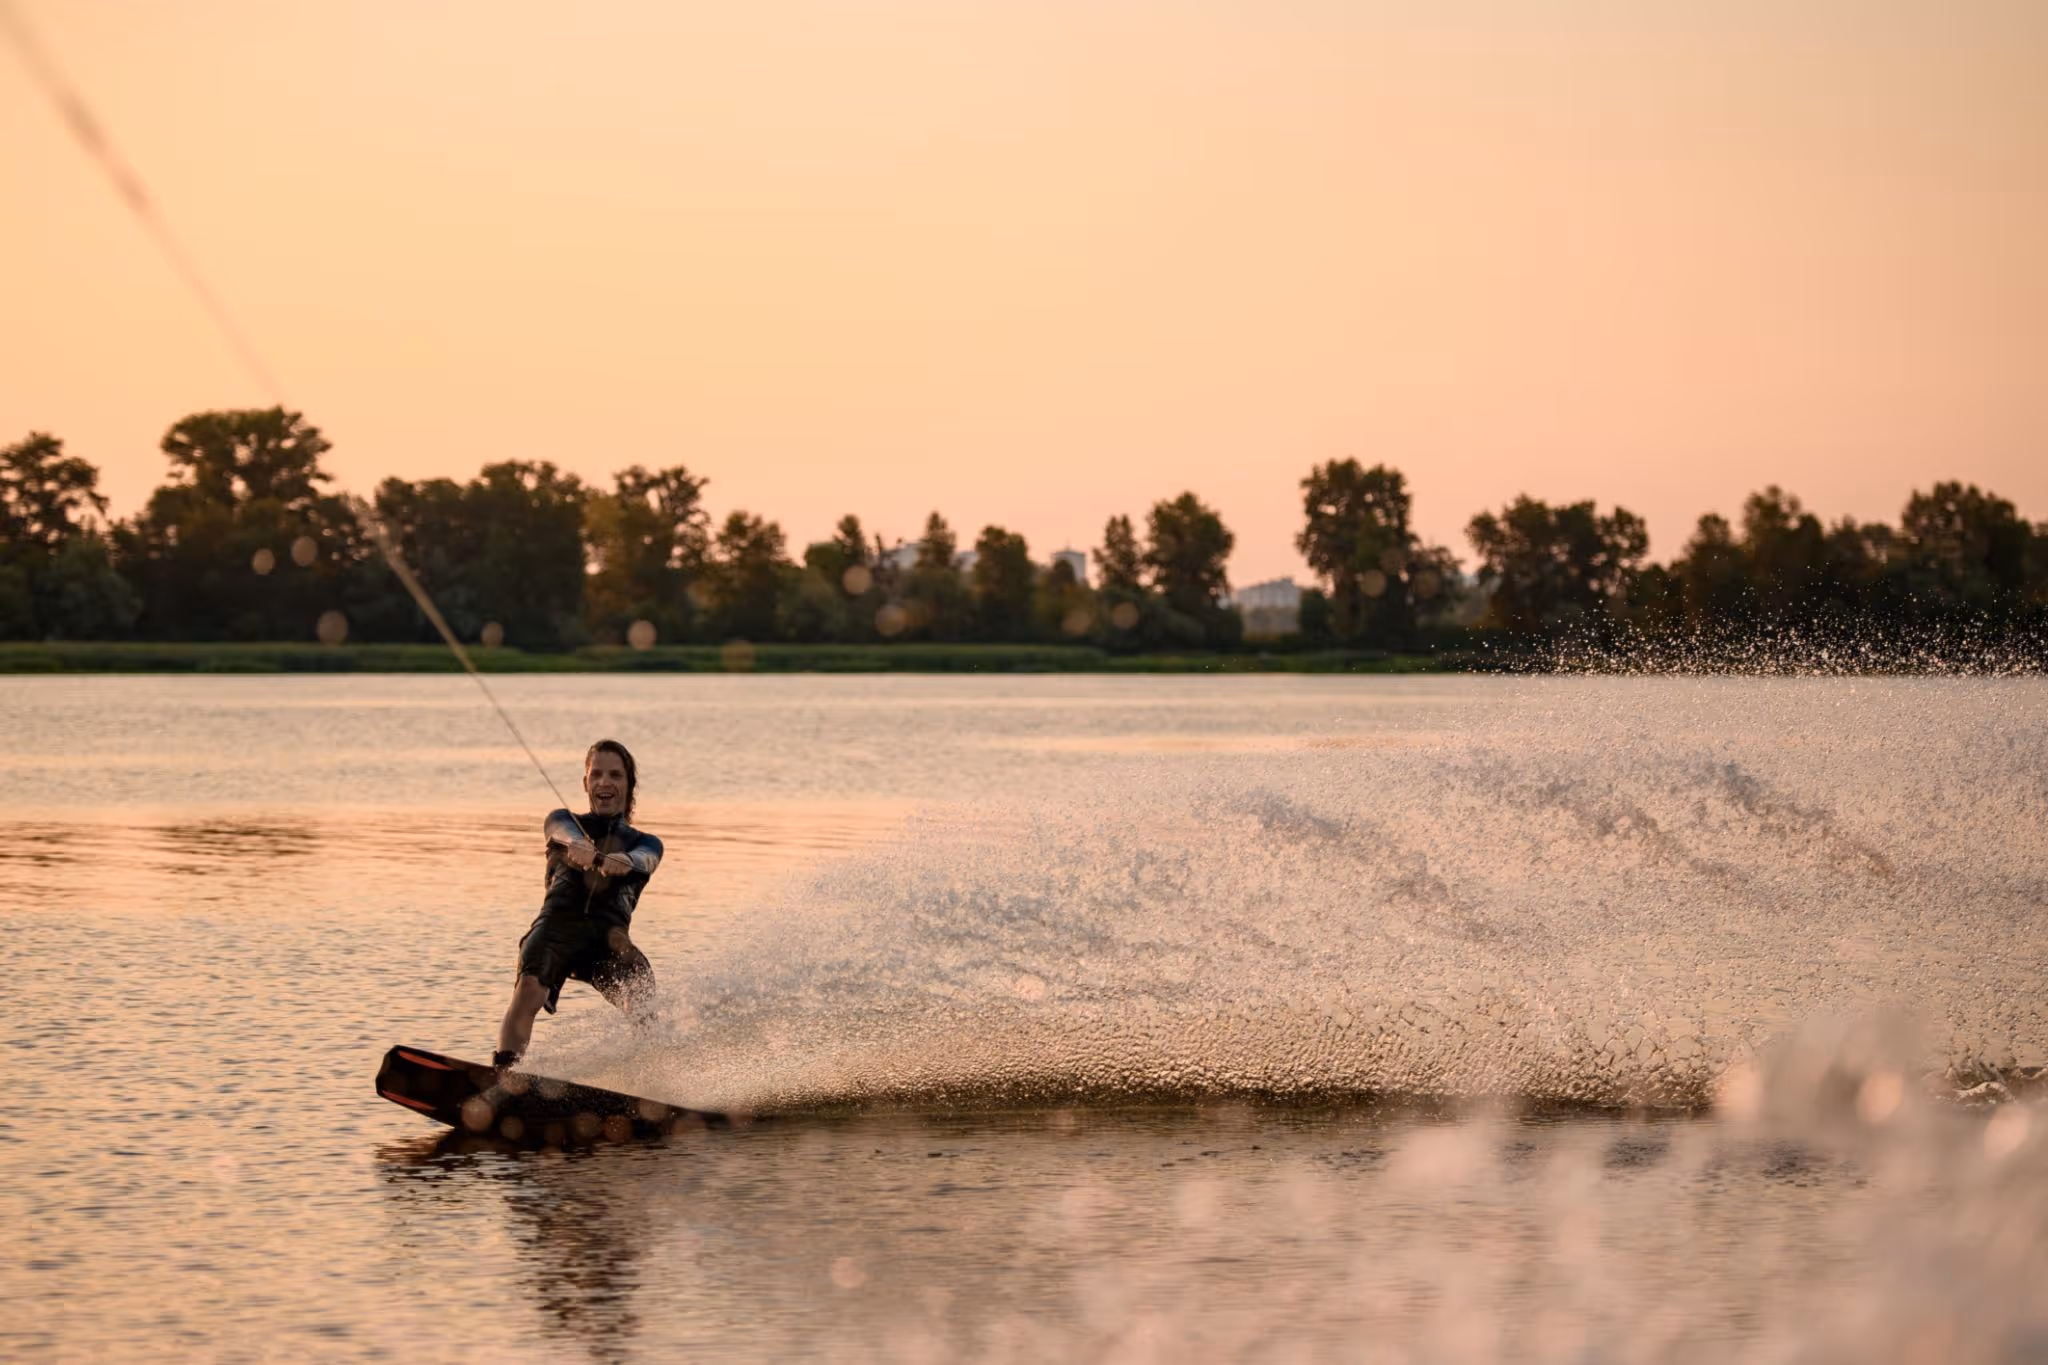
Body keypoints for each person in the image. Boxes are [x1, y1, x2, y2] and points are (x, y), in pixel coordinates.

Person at [493, 739, 663, 1070]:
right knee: (529, 989)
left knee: (641, 993)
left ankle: (655, 1085)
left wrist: (625, 861)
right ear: (585, 782)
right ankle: (503, 1072)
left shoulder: (645, 843)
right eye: (596, 774)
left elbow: (648, 859)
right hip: (556, 929)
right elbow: (559, 830)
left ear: (628, 785)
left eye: (615, 775)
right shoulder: (562, 821)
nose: (605, 782)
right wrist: (578, 844)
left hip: (608, 939)